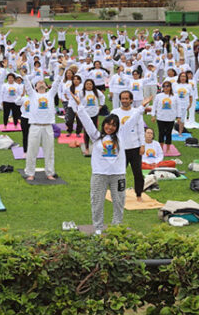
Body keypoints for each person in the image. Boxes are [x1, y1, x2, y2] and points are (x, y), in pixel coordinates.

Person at [70, 95, 145, 233]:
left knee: (119, 202)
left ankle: (116, 228)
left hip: (118, 175)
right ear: (104, 124)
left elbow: (132, 120)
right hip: (99, 175)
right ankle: (98, 229)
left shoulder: (121, 135)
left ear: (117, 127)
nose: (110, 127)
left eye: (113, 125)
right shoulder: (96, 136)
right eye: (108, 124)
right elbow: (87, 122)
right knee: (97, 203)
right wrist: (80, 106)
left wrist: (141, 107)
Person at [22, 71, 63, 181]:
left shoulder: (50, 94)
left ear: (46, 86)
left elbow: (57, 82)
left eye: (42, 82)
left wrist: (62, 69)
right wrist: (21, 71)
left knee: (49, 151)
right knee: (32, 151)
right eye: (38, 83)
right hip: (35, 126)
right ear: (35, 87)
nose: (40, 84)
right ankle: (30, 172)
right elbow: (26, 82)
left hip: (48, 126)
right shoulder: (32, 95)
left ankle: (49, 172)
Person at [112, 91, 151, 201]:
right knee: (119, 173)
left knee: (137, 172)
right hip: (120, 148)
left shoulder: (136, 112)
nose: (124, 101)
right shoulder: (115, 112)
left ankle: (139, 194)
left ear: (131, 100)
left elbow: (140, 130)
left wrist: (142, 145)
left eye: (126, 98)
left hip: (135, 147)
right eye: (122, 98)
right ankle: (117, 193)